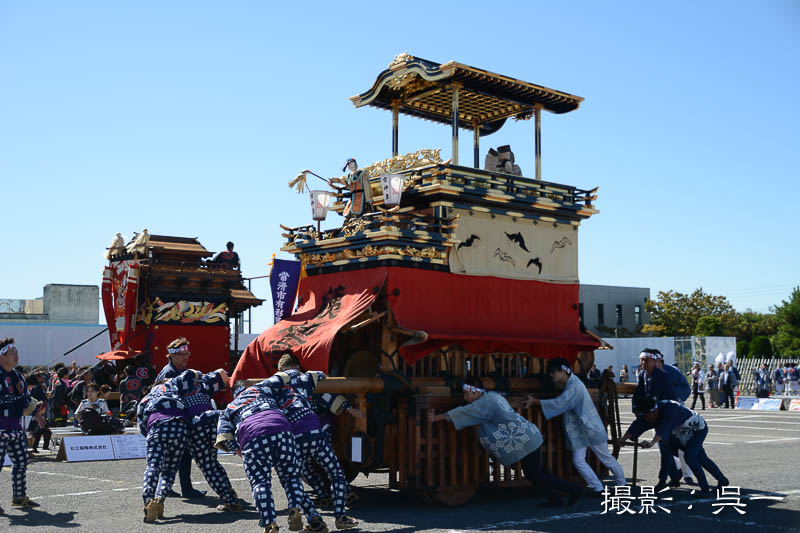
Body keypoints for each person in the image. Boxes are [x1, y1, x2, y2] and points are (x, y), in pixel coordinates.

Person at [427, 376, 582, 507]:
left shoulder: (486, 402)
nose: (465, 397)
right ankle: (555, 499)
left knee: (536, 474)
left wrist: (437, 417)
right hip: (527, 436)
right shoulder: (491, 396)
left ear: (475, 391)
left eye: (466, 393)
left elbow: (465, 412)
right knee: (533, 474)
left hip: (525, 439)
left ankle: (574, 490)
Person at [216, 379, 328, 533]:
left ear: (234, 394)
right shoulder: (262, 388)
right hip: (281, 427)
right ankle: (308, 516)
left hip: (252, 434)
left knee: (260, 482)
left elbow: (224, 436)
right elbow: (284, 378)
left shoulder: (229, 408)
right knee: (291, 478)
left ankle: (270, 524)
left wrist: (240, 451)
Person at [268, 354, 359, 530]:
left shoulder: (272, 385)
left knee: (293, 480)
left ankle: (313, 517)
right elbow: (324, 382)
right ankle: (341, 515)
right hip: (315, 433)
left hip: (293, 439)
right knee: (336, 473)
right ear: (296, 367)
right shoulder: (306, 378)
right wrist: (349, 408)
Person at [522, 358, 625, 496]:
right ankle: (598, 488)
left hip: (589, 427)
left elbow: (560, 403)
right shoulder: (572, 383)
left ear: (563, 371)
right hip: (585, 427)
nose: (551, 375)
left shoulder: (574, 386)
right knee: (581, 460)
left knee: (604, 458)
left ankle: (620, 485)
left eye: (553, 372)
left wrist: (535, 401)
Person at [620, 397, 729, 496]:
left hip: (696, 429)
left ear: (654, 410)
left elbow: (663, 430)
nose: (646, 419)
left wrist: (651, 443)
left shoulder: (670, 410)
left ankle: (705, 489)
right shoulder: (650, 414)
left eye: (647, 416)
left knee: (690, 457)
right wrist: (623, 439)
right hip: (680, 432)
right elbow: (637, 425)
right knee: (698, 457)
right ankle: (722, 481)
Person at [136, 370, 198, 523]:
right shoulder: (175, 392)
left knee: (153, 467)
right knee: (170, 470)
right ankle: (160, 500)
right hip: (180, 427)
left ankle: (148, 501)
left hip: (157, 425)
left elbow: (141, 422)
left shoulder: (147, 397)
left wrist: (149, 435)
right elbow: (190, 375)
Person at [178, 368, 241, 512]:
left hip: (196, 426)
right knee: (212, 462)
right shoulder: (203, 385)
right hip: (214, 421)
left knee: (208, 466)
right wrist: (203, 375)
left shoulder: (176, 389)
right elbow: (222, 373)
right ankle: (229, 492)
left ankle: (229, 500)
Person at [154, 337, 205, 498]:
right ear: (172, 355)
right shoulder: (169, 373)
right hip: (169, 418)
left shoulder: (179, 371)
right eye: (182, 354)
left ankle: (169, 487)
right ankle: (185, 489)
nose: (186, 357)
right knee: (182, 455)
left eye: (187, 354)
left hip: (173, 418)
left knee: (175, 455)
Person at [0, 338, 46, 510]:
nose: (16, 355)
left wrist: (37, 415)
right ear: (2, 356)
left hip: (16, 427)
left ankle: (19, 497)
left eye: (17, 352)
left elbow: (25, 399)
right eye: (12, 352)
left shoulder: (18, 377)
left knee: (21, 462)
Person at [26, 373, 52, 452]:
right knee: (35, 431)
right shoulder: (35, 387)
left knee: (44, 431)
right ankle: (33, 447)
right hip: (36, 410)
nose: (42, 378)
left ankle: (39, 446)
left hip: (39, 411)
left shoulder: (39, 386)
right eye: (41, 377)